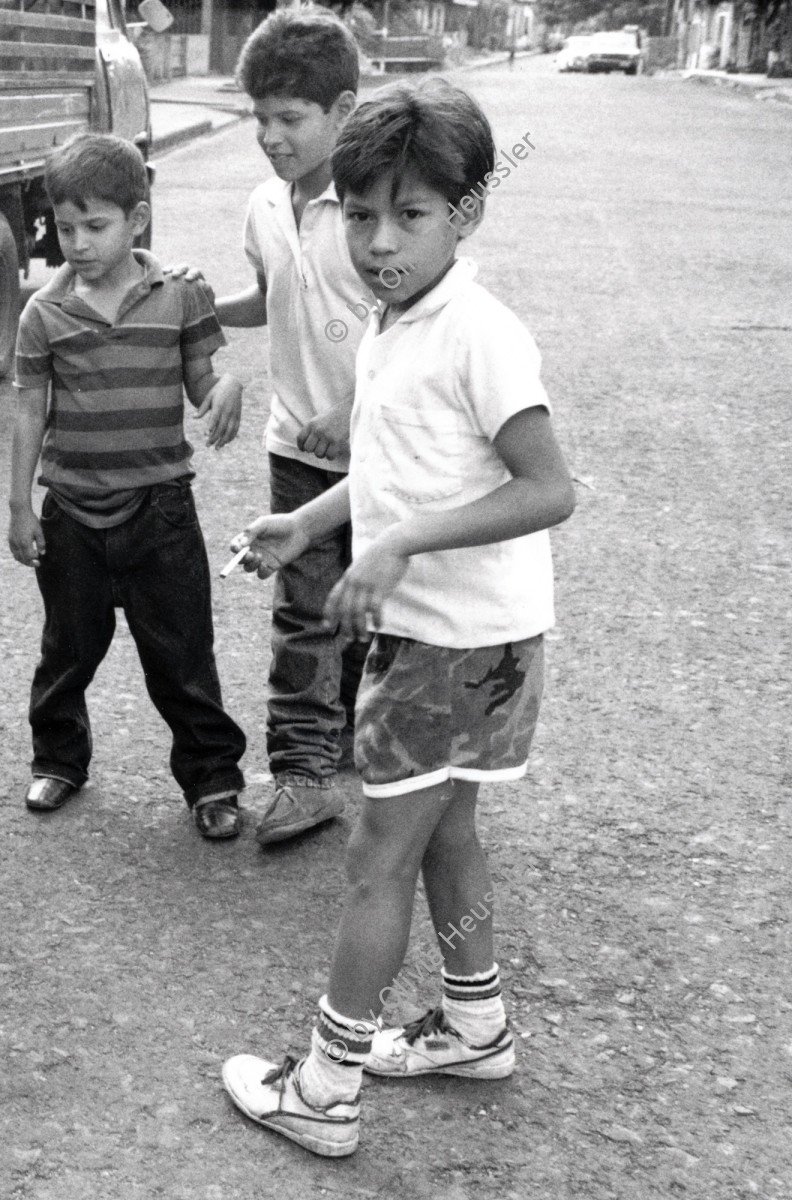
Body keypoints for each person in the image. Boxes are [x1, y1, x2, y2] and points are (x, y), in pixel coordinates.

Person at [219, 77, 575, 1157]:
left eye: (411, 216)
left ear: (466, 214)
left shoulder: (480, 333)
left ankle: (325, 1089)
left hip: (448, 645)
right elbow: (395, 466)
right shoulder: (398, 319)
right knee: (448, 832)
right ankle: (475, 1023)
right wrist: (311, 518)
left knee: (379, 857)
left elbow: (547, 487)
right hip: (479, 640)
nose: (380, 240)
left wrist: (402, 546)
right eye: (363, 213)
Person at [7, 132, 250, 838]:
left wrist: (226, 383)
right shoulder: (42, 314)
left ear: (137, 219)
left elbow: (204, 381)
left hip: (162, 509)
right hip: (71, 515)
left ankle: (211, 780)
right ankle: (58, 760)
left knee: (182, 654)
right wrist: (20, 505)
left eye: (96, 225)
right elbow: (29, 409)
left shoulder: (180, 295)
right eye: (64, 226)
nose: (77, 242)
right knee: (66, 650)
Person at [214, 5, 373, 845]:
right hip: (294, 450)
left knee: (373, 606)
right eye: (259, 120)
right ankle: (303, 774)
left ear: (343, 111)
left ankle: (360, 746)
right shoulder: (264, 208)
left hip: (386, 455)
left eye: (290, 119)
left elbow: (407, 324)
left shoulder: (374, 213)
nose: (271, 137)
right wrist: (199, 304)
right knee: (303, 610)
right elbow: (270, 295)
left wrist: (355, 409)